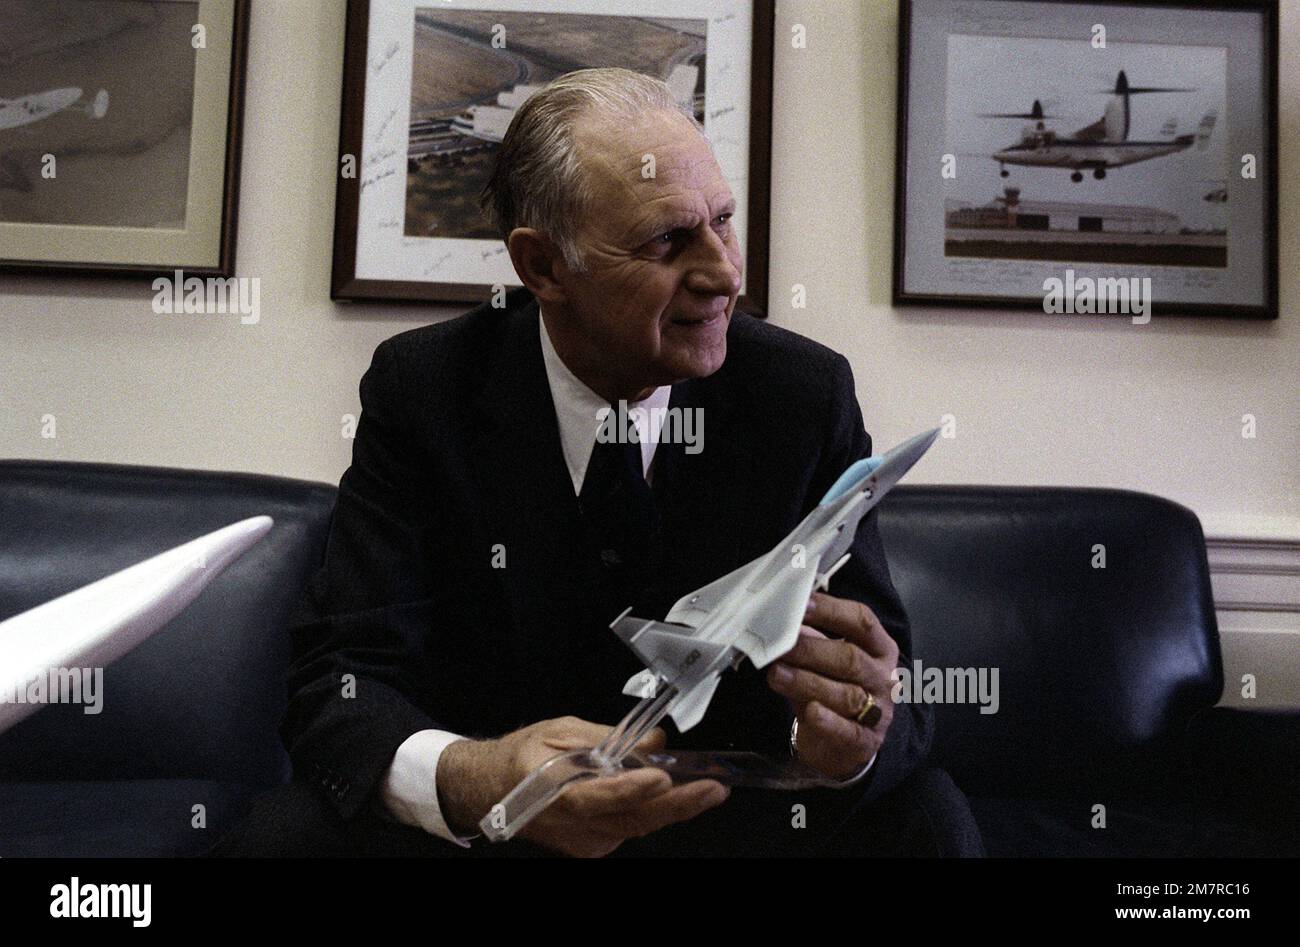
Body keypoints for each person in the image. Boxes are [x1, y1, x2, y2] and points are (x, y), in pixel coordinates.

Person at [212, 67, 982, 858]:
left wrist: (845, 735)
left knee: (928, 819)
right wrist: (483, 777)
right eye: (667, 240)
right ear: (543, 267)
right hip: (496, 834)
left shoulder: (801, 394)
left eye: (724, 222)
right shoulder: (425, 390)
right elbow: (342, 680)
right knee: (280, 841)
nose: (723, 274)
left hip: (728, 823)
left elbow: (887, 680)